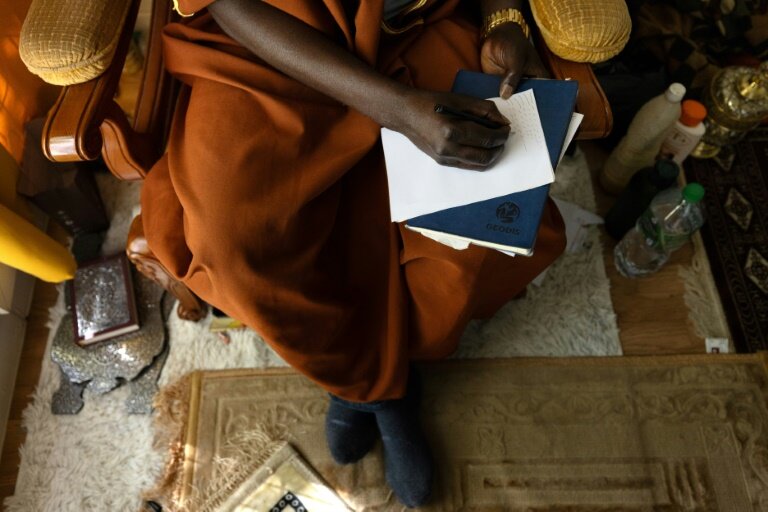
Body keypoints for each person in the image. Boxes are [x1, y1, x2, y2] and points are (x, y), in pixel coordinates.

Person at [141, 0, 566, 506]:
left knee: (474, 234)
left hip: (420, 25)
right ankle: (368, 389)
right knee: (235, 241)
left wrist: (504, 18)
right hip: (272, 42)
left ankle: (385, 379)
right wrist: (396, 109)